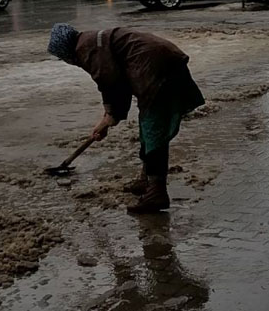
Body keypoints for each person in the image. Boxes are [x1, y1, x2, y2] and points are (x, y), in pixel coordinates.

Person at [47, 24, 205, 214]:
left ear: (65, 50)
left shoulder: (87, 50)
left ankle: (156, 192)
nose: (65, 61)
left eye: (61, 57)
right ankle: (146, 178)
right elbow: (111, 82)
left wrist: (110, 117)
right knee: (148, 125)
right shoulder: (89, 41)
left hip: (156, 69)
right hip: (158, 64)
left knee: (153, 129)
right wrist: (108, 116)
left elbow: (111, 82)